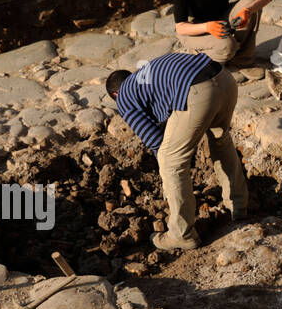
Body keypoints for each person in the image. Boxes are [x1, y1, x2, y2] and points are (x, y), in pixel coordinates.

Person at [106, 51, 247, 251]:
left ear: (114, 95)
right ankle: (239, 206)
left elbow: (156, 141)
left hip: (198, 89)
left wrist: (168, 177)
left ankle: (182, 234)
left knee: (169, 159)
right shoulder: (146, 78)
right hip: (224, 79)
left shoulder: (124, 97)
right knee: (221, 140)